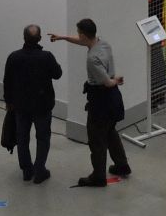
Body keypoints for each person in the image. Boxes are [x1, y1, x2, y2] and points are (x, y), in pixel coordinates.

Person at [50, 19, 132, 186]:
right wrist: (62, 38)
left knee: (96, 139)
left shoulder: (92, 59)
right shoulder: (103, 44)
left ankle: (98, 176)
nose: (77, 36)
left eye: (78, 33)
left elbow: (108, 83)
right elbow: (83, 42)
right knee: (110, 132)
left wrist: (116, 80)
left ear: (83, 35)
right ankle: (122, 166)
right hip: (113, 99)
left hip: (101, 100)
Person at [2, 24, 63, 184]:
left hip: (20, 106)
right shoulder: (46, 57)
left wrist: (8, 101)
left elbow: (7, 81)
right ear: (40, 39)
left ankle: (26, 170)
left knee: (22, 137)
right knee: (43, 137)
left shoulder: (14, 57)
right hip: (42, 105)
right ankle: (40, 170)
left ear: (24, 38)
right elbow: (57, 74)